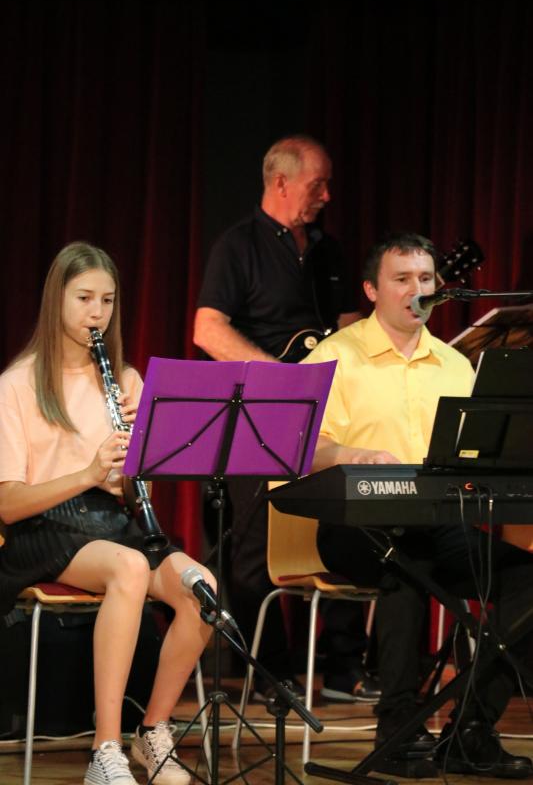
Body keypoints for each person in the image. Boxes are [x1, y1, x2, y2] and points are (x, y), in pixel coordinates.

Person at [301, 231, 533, 777]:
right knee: (405, 563)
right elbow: (302, 447)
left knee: (526, 579)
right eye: (402, 279)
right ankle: (398, 730)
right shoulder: (335, 355)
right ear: (371, 290)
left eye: (426, 279)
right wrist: (352, 454)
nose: (417, 289)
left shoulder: (455, 365)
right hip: (353, 524)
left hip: (435, 522)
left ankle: (470, 730)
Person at [0, 242, 214, 785]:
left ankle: (153, 729)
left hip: (110, 524)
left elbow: (136, 492)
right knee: (129, 567)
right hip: (42, 526)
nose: (97, 313)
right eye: (84, 298)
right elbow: (7, 503)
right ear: (56, 299)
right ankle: (105, 749)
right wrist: (89, 473)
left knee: (201, 588)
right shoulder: (17, 384)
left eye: (108, 300)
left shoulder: (127, 380)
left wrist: (146, 453)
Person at [193, 135, 379, 703]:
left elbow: (349, 327)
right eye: (317, 184)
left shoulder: (328, 251)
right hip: (259, 412)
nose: (327, 195)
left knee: (348, 524)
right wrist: (280, 376)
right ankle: (269, 673)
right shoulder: (237, 246)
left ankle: (344, 668)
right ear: (280, 182)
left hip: (328, 412)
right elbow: (208, 330)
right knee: (254, 549)